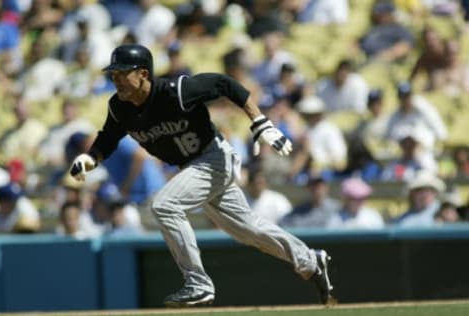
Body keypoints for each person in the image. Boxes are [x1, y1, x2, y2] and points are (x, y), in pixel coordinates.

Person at [68, 44, 336, 307]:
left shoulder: (176, 91)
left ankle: (198, 283)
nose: (116, 80)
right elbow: (109, 137)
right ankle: (310, 261)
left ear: (143, 74)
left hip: (214, 157)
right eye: (113, 75)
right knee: (249, 230)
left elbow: (224, 84)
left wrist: (259, 120)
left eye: (122, 73)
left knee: (164, 205)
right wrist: (91, 157)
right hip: (192, 168)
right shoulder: (120, 106)